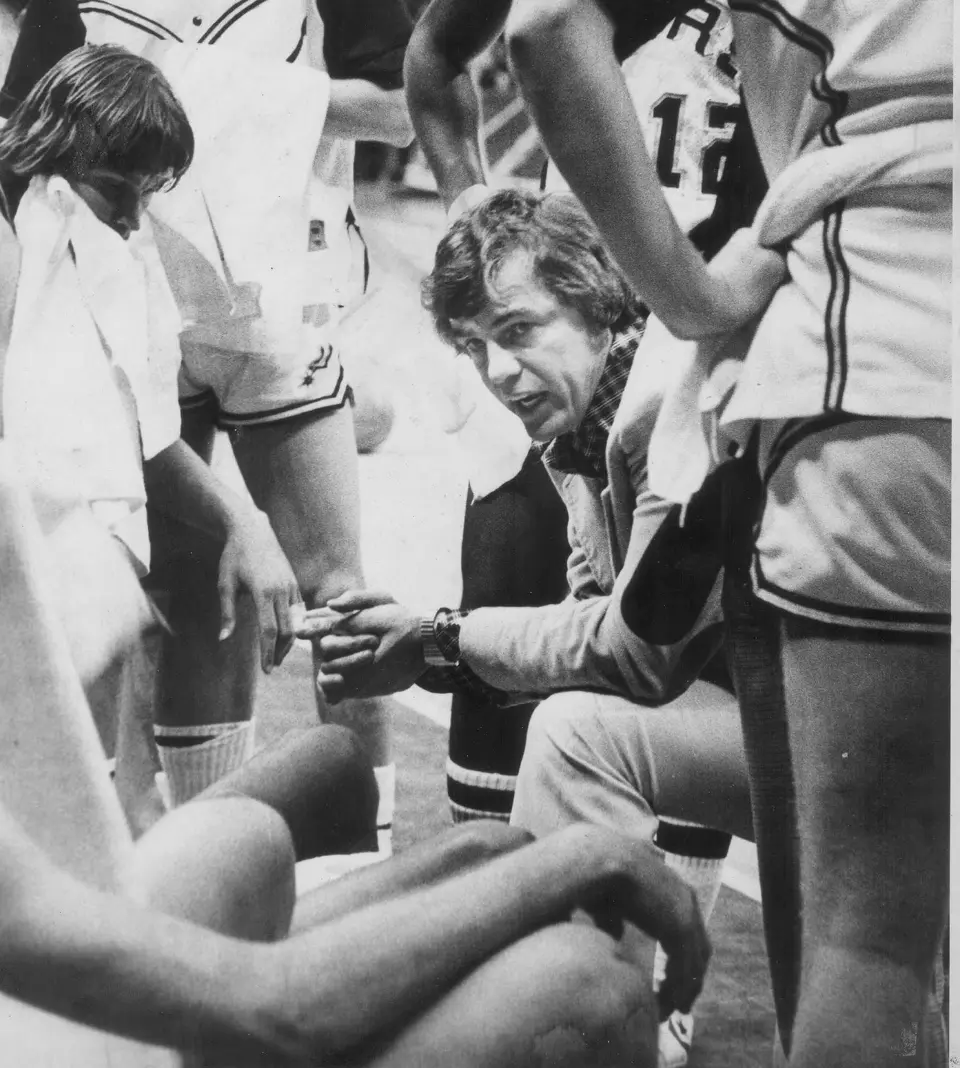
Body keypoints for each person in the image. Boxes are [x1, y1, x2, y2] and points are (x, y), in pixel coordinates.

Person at [499, 1, 951, 1065]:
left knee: (869, 945)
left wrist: (689, 302)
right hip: (864, 355)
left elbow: (542, 23)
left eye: (513, 335)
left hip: (888, 341)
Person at [0, 437, 711, 1068]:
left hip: (57, 973)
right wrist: (581, 856)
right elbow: (279, 1012)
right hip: (114, 1019)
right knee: (587, 984)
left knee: (464, 842)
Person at [303, 187, 755, 1062]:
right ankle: (598, 1021)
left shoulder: (663, 398)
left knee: (581, 735)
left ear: (597, 300)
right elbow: (606, 628)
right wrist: (428, 645)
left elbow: (637, 657)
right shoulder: (586, 418)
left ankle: (589, 1020)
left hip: (880, 733)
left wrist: (438, 637)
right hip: (801, 714)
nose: (498, 373)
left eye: (518, 330)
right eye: (475, 348)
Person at [77, 0, 416, 844]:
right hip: (143, 294)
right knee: (180, 583)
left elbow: (400, 109)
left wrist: (216, 92)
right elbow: (28, 114)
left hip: (278, 300)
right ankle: (197, 858)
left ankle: (363, 858)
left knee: (339, 595)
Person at [0, 43, 317, 821]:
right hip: (29, 555)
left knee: (83, 809)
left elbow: (144, 437)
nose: (134, 216)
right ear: (55, 141)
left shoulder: (119, 250)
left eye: (147, 198)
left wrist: (248, 523)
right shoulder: (17, 232)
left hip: (84, 564)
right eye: (118, 191)